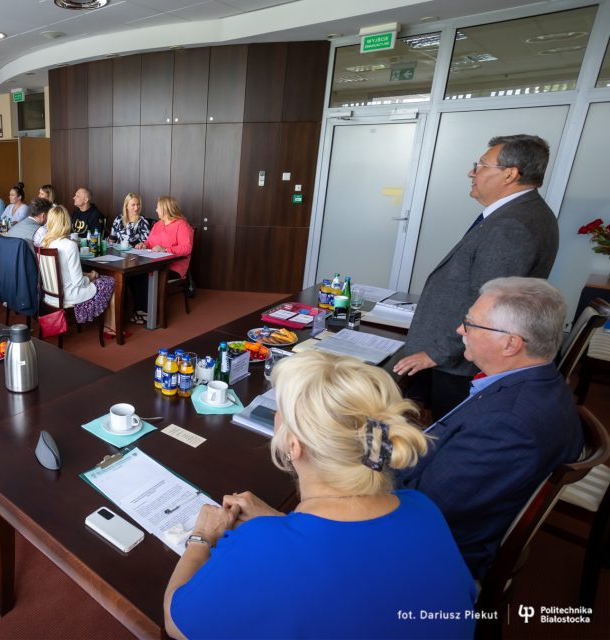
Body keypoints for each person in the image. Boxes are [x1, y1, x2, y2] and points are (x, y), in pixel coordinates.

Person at [165, 350, 476, 639]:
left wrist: (202, 536)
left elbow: (176, 623)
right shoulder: (420, 506)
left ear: (294, 445)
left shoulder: (263, 548)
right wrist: (280, 522)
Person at [397, 277, 583, 579]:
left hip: (434, 554)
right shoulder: (540, 381)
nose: (460, 330)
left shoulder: (507, 425)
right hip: (451, 505)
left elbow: (422, 509)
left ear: (510, 343)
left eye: (470, 323)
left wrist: (363, 452)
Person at [393, 134, 559, 418]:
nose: (472, 172)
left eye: (481, 165)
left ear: (510, 174)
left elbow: (488, 306)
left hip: (459, 363)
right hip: (452, 353)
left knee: (446, 429)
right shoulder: (522, 212)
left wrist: (438, 352)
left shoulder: (512, 225)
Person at [40, 205, 115, 330]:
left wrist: (86, 275)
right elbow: (78, 282)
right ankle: (111, 327)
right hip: (70, 295)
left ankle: (109, 326)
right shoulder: (70, 245)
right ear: (67, 222)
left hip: (50, 295)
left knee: (98, 278)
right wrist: (90, 277)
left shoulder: (45, 243)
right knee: (110, 281)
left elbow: (64, 272)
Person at [129, 196, 193, 324]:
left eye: (158, 207)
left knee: (147, 277)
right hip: (154, 263)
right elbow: (150, 241)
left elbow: (186, 248)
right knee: (133, 275)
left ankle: (150, 313)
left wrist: (165, 249)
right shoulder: (158, 225)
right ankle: (143, 310)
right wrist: (144, 244)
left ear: (165, 209)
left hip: (173, 267)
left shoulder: (182, 225)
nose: (156, 209)